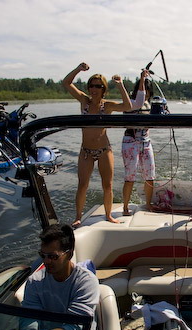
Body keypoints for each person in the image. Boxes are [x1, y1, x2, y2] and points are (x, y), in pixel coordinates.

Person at [3, 224, 111, 330]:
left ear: (69, 254)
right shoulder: (35, 282)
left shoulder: (86, 282)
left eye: (53, 256)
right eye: (43, 255)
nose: (46, 261)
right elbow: (30, 324)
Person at [63, 62, 132, 227]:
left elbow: (128, 106)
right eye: (92, 85)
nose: (94, 89)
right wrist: (78, 69)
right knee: (82, 185)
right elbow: (66, 83)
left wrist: (120, 85)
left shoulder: (107, 106)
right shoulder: (84, 101)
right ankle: (78, 217)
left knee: (107, 185)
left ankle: (109, 215)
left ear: (103, 89)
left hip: (104, 151)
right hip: (86, 151)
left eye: (98, 86)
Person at [122, 69, 156, 215]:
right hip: (131, 141)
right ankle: (125, 206)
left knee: (150, 175)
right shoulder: (130, 103)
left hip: (146, 142)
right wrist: (142, 78)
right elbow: (138, 100)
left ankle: (148, 203)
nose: (145, 93)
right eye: (143, 89)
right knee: (130, 176)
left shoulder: (151, 105)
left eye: (148, 90)